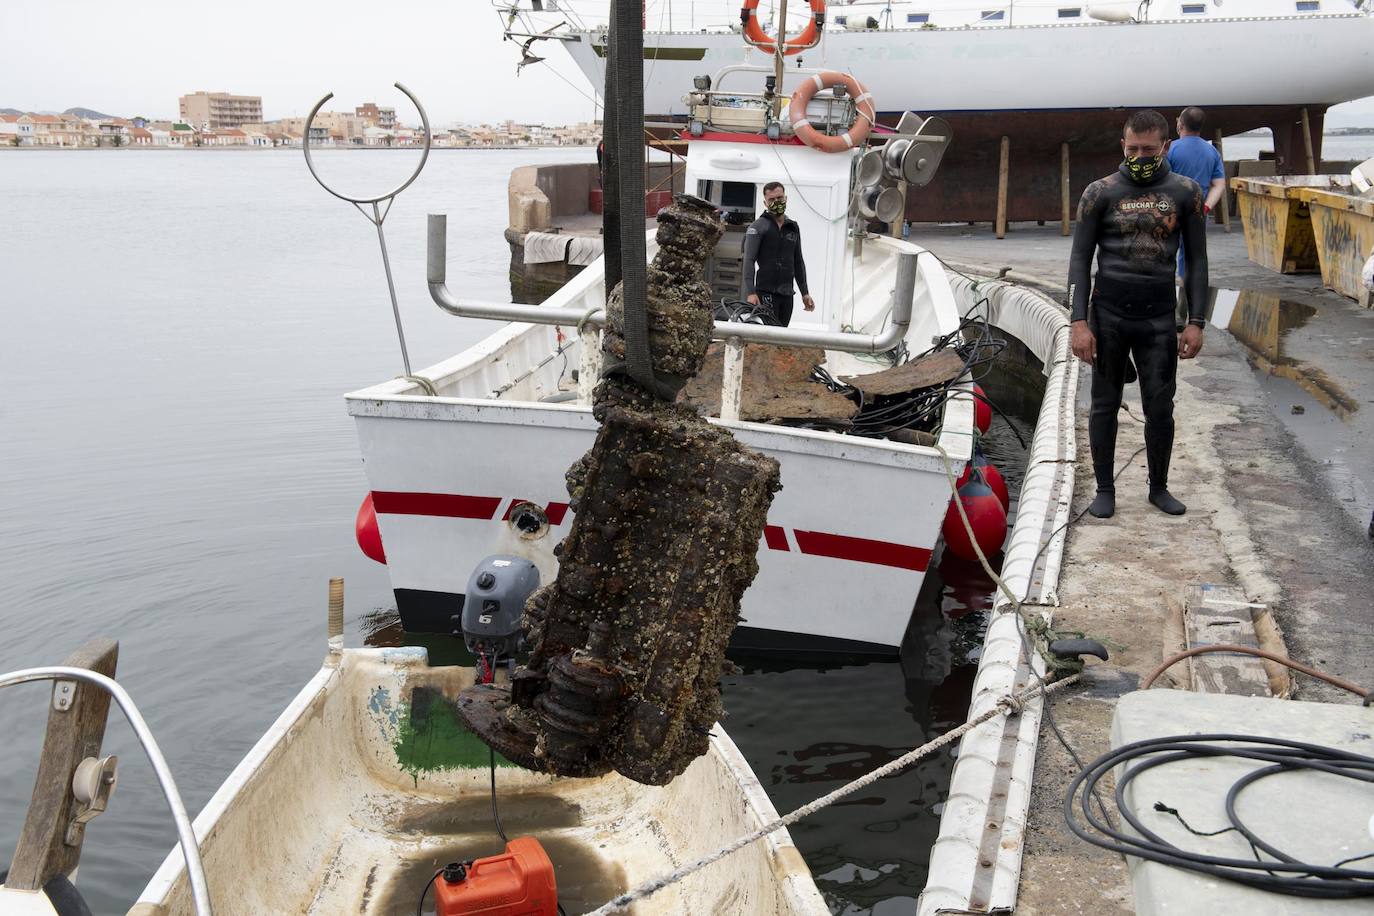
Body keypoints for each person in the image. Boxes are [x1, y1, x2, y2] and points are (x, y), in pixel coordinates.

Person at [1067, 110, 1207, 520]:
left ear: (1166, 146)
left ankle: (1158, 488)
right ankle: (1104, 489)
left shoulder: (1186, 192)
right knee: (1103, 405)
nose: (1140, 156)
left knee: (1160, 408)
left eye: (1148, 149)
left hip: (1158, 318)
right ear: (1122, 145)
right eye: (1132, 149)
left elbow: (1197, 261)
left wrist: (1196, 321)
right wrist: (1078, 322)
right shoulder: (1099, 192)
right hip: (1108, 316)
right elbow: (1079, 259)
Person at [1167, 107, 1226, 310]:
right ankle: (1187, 308)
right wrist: (1207, 206)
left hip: (1171, 212)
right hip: (1198, 212)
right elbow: (1219, 184)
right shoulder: (1212, 151)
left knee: (1166, 254)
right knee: (1192, 258)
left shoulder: (1171, 149)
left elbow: (1162, 180)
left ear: (1181, 124)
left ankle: (1169, 306)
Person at [742, 181, 815, 326]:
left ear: (785, 198)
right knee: (768, 332)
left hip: (787, 294)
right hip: (765, 292)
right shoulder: (758, 227)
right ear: (765, 203)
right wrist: (751, 292)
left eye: (779, 198)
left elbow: (798, 261)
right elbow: (749, 260)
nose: (776, 202)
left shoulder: (792, 227)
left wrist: (805, 293)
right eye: (771, 199)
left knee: (781, 333)